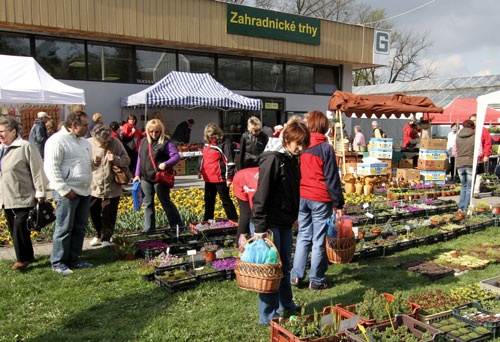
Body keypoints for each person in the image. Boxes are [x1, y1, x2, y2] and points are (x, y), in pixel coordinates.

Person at [251, 119, 310, 325]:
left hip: (285, 220)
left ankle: (286, 303)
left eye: (304, 143)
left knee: (284, 266)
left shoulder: (292, 158)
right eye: (298, 143)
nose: (301, 148)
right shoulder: (273, 159)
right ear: (286, 139)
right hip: (269, 222)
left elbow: (292, 190)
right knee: (270, 270)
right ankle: (268, 315)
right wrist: (260, 227)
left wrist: (294, 217)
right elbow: (262, 194)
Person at [290, 111, 344, 290]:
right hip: (320, 198)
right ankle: (316, 279)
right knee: (318, 239)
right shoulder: (326, 148)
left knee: (304, 236)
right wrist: (338, 203)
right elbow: (332, 179)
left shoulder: (301, 145)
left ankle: (296, 276)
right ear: (324, 126)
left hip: (302, 196)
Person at [44, 110, 96, 275]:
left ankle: (74, 258)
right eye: (85, 125)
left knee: (80, 227)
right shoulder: (57, 141)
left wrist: (94, 164)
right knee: (64, 227)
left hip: (83, 191)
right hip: (68, 192)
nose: (88, 128)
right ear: (74, 125)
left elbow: (86, 166)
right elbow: (51, 168)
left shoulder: (84, 142)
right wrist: (64, 189)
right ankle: (58, 261)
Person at [0, 116, 48, 270]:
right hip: (6, 197)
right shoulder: (2, 149)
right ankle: (28, 256)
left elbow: (37, 170)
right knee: (16, 228)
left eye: (2, 131)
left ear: (13, 131)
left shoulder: (25, 147)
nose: (0, 134)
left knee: (19, 228)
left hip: (23, 195)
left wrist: (41, 191)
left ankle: (21, 259)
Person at [133, 119, 183, 233]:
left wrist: (165, 164)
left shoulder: (165, 142)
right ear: (147, 131)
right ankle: (149, 229)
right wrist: (137, 174)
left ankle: (177, 226)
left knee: (165, 202)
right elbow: (140, 159)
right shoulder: (144, 141)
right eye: (151, 131)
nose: (154, 134)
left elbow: (176, 156)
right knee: (147, 203)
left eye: (157, 131)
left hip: (159, 178)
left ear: (161, 131)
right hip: (146, 177)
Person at [88, 125, 130, 247]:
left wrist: (115, 159)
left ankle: (106, 238)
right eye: (102, 142)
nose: (105, 144)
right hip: (94, 184)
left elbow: (127, 160)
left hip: (112, 184)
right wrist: (92, 162)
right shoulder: (88, 144)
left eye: (107, 141)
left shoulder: (115, 142)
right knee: (92, 211)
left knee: (109, 213)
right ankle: (98, 234)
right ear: (95, 138)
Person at [200, 123, 238, 222]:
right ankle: (207, 221)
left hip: (220, 178)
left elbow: (229, 160)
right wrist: (200, 170)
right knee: (208, 201)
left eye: (213, 137)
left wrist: (229, 178)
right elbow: (203, 158)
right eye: (209, 137)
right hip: (208, 177)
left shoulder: (226, 142)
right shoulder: (207, 144)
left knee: (225, 200)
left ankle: (233, 220)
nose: (211, 139)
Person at [232, 167, 259, 245]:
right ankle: (239, 243)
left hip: (248, 178)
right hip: (240, 181)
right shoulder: (257, 185)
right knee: (246, 214)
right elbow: (254, 205)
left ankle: (250, 237)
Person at [453, 120, 475, 212]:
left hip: (460, 164)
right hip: (470, 163)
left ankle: (460, 207)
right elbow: (479, 151)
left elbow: (454, 152)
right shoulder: (475, 136)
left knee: (464, 186)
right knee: (469, 187)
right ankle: (466, 207)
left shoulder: (458, 136)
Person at [470, 113, 492, 198]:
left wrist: (486, 155)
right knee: (470, 173)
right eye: (471, 120)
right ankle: (470, 189)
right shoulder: (468, 130)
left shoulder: (483, 130)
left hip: (480, 157)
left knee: (479, 174)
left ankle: (476, 191)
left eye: (474, 120)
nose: (472, 122)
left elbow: (487, 143)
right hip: (469, 156)